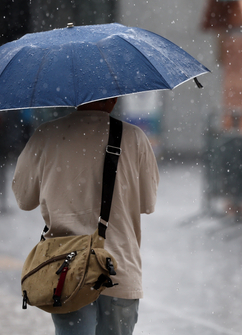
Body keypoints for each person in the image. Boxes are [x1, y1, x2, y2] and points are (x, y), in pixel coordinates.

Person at [11, 97, 159, 335]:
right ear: (114, 98)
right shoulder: (134, 138)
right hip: (119, 268)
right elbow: (148, 203)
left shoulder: (47, 135)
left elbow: (23, 198)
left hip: (66, 270)